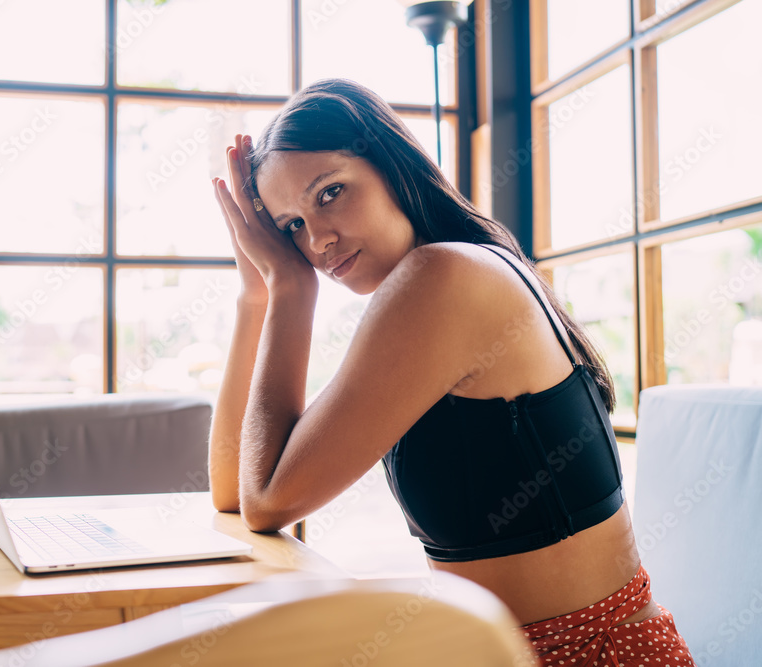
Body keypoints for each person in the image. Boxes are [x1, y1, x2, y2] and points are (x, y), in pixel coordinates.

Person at [207, 78, 693, 667]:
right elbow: (235, 490)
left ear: (390, 164)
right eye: (291, 227)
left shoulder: (444, 277)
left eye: (330, 193)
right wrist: (255, 294)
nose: (317, 240)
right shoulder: (444, 277)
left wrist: (289, 289)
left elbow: (265, 500)